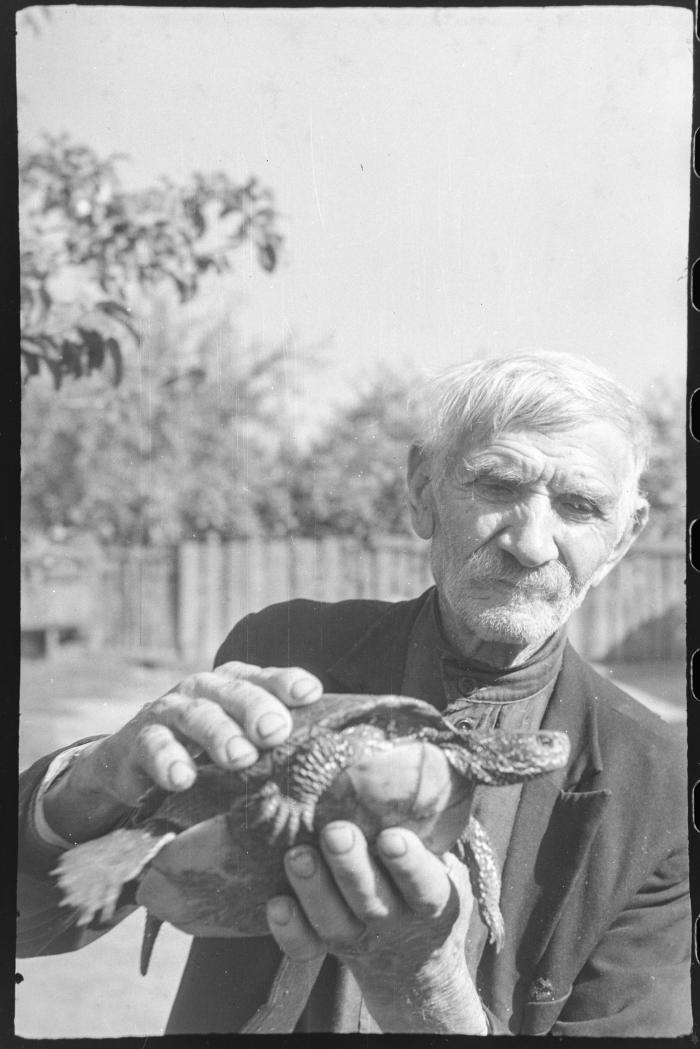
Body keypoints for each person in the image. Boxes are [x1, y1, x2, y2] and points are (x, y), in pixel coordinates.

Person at [17, 352, 691, 1035]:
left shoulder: (658, 785)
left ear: (622, 537)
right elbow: (43, 918)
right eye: (496, 484)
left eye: (579, 505)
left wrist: (424, 982)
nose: (531, 541)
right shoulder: (287, 654)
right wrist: (95, 781)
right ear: (423, 490)